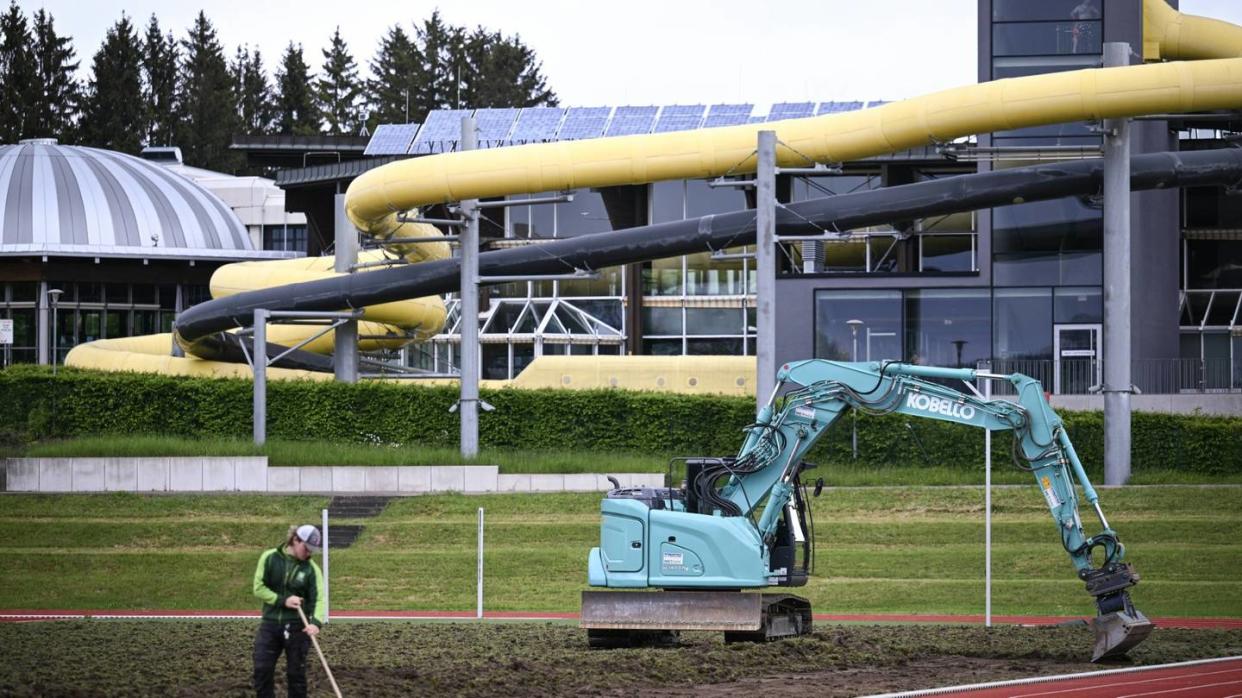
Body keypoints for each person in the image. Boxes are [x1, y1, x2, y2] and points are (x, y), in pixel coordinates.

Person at [252, 524, 325, 698]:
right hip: (270, 625)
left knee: (296, 675)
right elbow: (258, 588)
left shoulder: (312, 569)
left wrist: (315, 623)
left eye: (312, 550)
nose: (309, 553)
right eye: (306, 548)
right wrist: (283, 600)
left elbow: (319, 600)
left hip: (298, 628)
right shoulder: (269, 558)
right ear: (295, 540)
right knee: (262, 669)